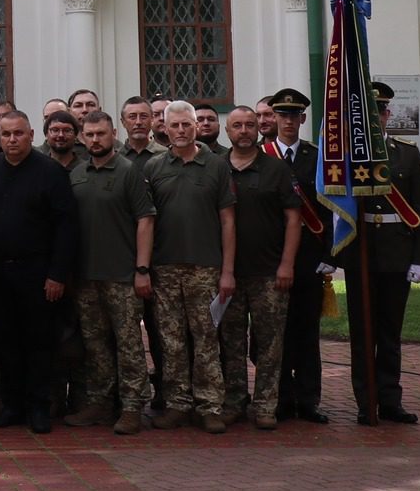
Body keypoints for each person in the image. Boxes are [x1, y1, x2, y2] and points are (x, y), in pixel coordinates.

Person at [0, 110, 77, 434]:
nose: (11, 140)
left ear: (32, 134)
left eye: (18, 133)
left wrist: (57, 275)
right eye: (5, 134)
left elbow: (66, 228)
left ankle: (39, 407)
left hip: (38, 274)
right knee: (5, 343)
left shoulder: (50, 172)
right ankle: (13, 406)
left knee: (39, 344)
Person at [339, 81, 420, 425]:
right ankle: (366, 400)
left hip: (396, 249)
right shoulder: (349, 154)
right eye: (367, 112)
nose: (375, 117)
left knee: (391, 333)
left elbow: (419, 208)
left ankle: (390, 399)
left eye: (379, 111)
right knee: (362, 332)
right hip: (360, 252)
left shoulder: (407, 153)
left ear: (388, 114)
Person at [145, 100, 236, 434]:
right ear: (165, 128)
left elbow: (228, 221)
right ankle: (177, 404)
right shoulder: (153, 167)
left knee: (207, 338)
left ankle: (210, 405)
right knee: (171, 341)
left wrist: (227, 270)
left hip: (206, 266)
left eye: (187, 125)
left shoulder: (216, 166)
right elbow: (146, 222)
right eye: (175, 125)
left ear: (196, 126)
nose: (181, 131)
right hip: (165, 268)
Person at [66, 110, 154, 435]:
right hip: (87, 277)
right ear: (82, 137)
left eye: (101, 134)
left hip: (122, 276)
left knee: (129, 343)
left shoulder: (130, 172)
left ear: (112, 132)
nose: (95, 140)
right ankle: (101, 402)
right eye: (89, 135)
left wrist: (142, 269)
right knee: (95, 344)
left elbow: (146, 220)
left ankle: (132, 405)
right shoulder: (77, 174)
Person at [218, 105, 299, 430]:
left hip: (269, 273)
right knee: (231, 342)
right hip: (228, 274)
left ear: (259, 128)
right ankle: (235, 401)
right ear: (228, 131)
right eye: (237, 126)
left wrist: (287, 265)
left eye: (249, 125)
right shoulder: (216, 167)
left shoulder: (276, 169)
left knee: (269, 344)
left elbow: (294, 220)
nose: (243, 131)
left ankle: (266, 404)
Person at [265, 86, 330, 423]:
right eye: (283, 115)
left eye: (294, 115)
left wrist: (330, 253)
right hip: (269, 256)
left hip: (308, 257)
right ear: (273, 118)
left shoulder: (316, 157)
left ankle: (309, 399)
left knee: (306, 332)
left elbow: (331, 206)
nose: (288, 121)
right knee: (275, 333)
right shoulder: (261, 156)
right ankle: (278, 398)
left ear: (303, 118)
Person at [120, 97, 159, 169]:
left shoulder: (165, 155)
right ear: (123, 122)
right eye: (132, 117)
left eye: (143, 116)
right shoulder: (116, 158)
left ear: (152, 119)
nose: (138, 122)